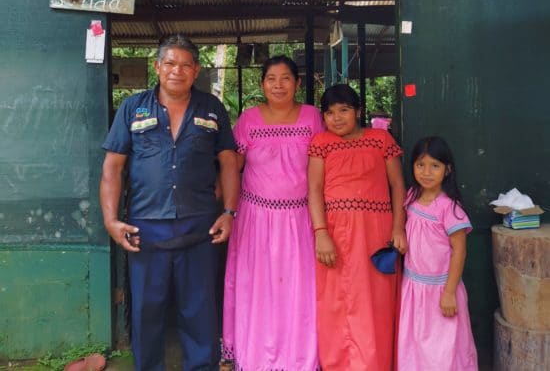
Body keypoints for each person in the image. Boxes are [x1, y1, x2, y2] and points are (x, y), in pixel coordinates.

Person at [99, 35, 239, 371]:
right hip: (144, 230)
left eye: (185, 64)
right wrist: (110, 220)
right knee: (148, 312)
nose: (177, 70)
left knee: (199, 311)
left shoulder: (212, 108)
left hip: (200, 226)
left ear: (196, 70)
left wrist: (229, 212)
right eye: (170, 63)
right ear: (158, 66)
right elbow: (112, 169)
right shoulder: (134, 108)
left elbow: (229, 163)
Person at [222, 55, 324, 370]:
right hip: (255, 219)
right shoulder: (249, 120)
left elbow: (325, 168)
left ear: (297, 83)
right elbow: (233, 167)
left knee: (299, 288)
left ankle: (299, 357)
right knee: (258, 287)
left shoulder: (312, 118)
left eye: (285, 78)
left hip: (301, 219)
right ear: (262, 84)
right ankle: (255, 355)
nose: (278, 85)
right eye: (271, 79)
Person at [308, 84, 407, 371]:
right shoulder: (321, 142)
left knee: (376, 302)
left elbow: (397, 185)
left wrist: (398, 228)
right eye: (329, 113)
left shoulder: (380, 139)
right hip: (335, 234)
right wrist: (321, 233)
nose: (336, 118)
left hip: (377, 232)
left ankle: (375, 364)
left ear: (359, 112)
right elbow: (314, 189)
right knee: (336, 302)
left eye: (344, 110)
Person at [397, 136, 478, 371]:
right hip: (413, 288)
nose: (427, 172)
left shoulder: (449, 208)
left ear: (447, 169)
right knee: (415, 345)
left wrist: (450, 292)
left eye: (435, 166)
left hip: (442, 290)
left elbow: (460, 251)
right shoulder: (411, 196)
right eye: (420, 164)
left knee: (443, 349)